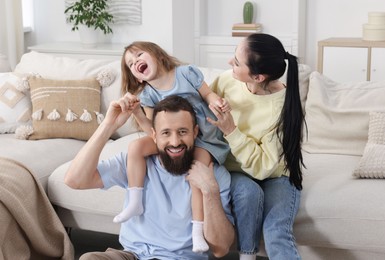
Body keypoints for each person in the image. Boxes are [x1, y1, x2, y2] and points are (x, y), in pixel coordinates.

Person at [64, 95, 235, 260]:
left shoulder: (214, 175)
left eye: (182, 132)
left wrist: (210, 190)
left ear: (195, 132)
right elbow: (75, 180)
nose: (175, 142)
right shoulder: (136, 163)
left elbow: (220, 249)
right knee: (90, 258)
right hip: (133, 255)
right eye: (166, 133)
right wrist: (108, 125)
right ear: (154, 134)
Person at [113, 41, 231, 253]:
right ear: (137, 77)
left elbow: (207, 94)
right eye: (131, 63)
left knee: (198, 172)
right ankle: (135, 201)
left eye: (139, 54)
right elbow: (153, 131)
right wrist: (137, 113)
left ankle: (197, 231)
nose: (136, 61)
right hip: (172, 139)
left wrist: (217, 102)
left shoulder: (186, 73)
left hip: (205, 139)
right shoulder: (148, 95)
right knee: (136, 147)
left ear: (158, 55)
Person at [208, 33, 305, 260]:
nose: (230, 63)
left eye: (237, 62)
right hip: (237, 171)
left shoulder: (284, 106)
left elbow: (263, 167)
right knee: (249, 193)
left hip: (276, 174)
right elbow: (199, 108)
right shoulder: (226, 80)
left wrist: (231, 130)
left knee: (276, 231)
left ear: (259, 76)